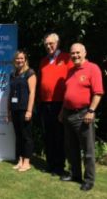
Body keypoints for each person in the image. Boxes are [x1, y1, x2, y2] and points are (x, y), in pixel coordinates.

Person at [59, 43, 104, 191]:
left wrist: (91, 111)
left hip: (84, 114)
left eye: (78, 53)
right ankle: (75, 174)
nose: (75, 56)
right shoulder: (71, 70)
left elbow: (98, 93)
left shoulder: (93, 68)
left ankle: (89, 180)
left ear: (84, 53)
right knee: (71, 148)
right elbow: (67, 94)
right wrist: (61, 112)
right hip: (68, 113)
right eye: (73, 53)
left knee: (88, 150)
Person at [39, 33, 73, 176]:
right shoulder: (43, 61)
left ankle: (59, 166)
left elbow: (72, 80)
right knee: (48, 135)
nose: (48, 46)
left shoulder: (66, 58)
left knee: (59, 136)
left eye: (51, 43)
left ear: (57, 43)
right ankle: (50, 164)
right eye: (46, 44)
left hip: (60, 103)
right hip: (44, 103)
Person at [8, 51, 36, 172]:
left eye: (21, 58)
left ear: (25, 60)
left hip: (25, 109)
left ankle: (27, 161)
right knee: (18, 136)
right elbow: (10, 93)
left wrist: (29, 110)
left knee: (26, 136)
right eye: (17, 59)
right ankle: (20, 160)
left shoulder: (30, 73)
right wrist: (8, 110)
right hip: (14, 109)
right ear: (14, 61)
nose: (19, 60)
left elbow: (32, 92)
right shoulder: (13, 74)